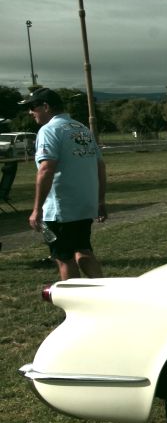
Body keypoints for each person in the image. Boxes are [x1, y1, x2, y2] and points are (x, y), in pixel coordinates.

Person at [22, 87, 107, 280]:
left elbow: (46, 169)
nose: (30, 112)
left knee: (64, 257)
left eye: (33, 107)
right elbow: (100, 166)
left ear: (46, 107)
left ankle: (74, 297)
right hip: (84, 204)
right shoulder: (82, 128)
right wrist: (100, 200)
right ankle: (104, 291)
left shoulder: (49, 130)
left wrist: (37, 209)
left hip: (61, 208)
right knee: (83, 249)